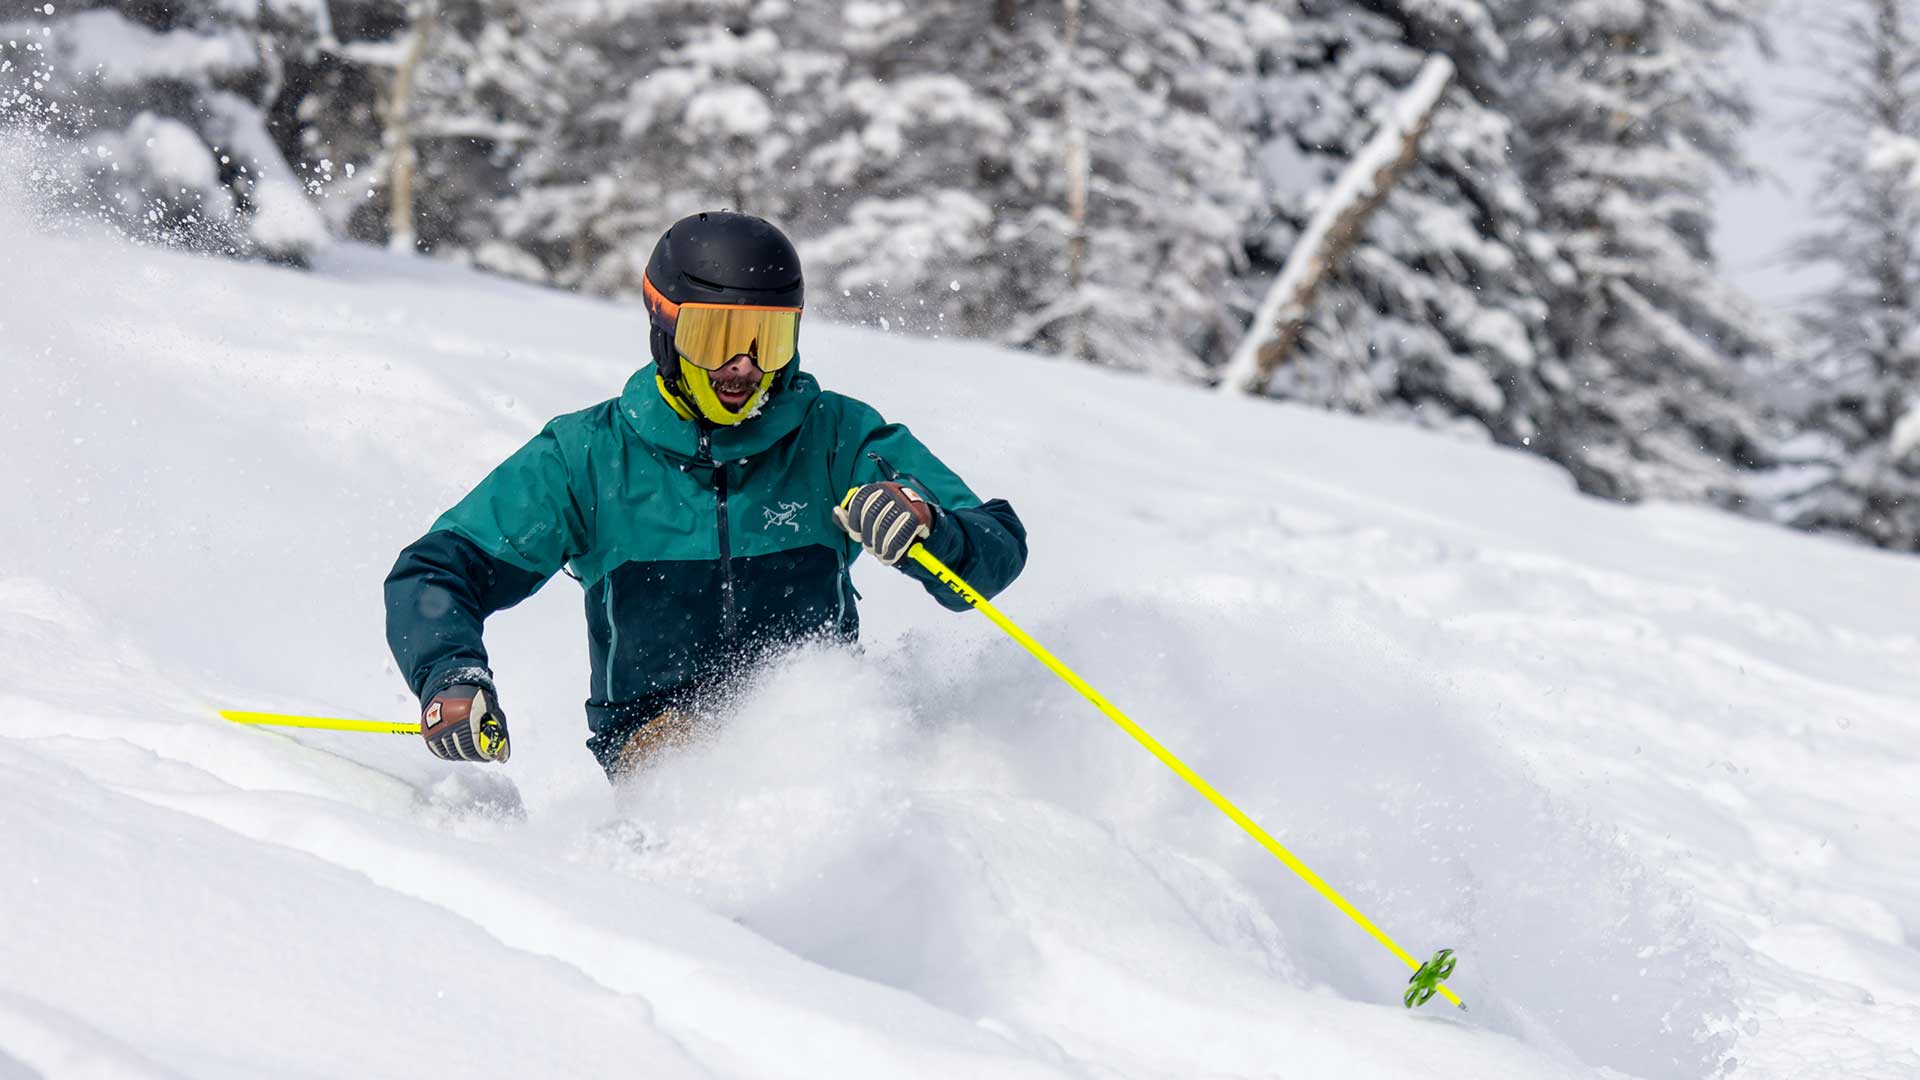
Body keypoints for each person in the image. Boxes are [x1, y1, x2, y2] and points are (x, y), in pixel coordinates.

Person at [384, 211, 1028, 779]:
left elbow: (994, 546)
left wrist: (930, 526)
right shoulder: (588, 457)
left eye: (767, 338)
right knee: (705, 765)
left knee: (939, 765)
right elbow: (437, 571)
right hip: (659, 740)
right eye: (716, 337)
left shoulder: (834, 436)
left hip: (825, 727)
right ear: (663, 326)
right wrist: (451, 675)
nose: (744, 364)